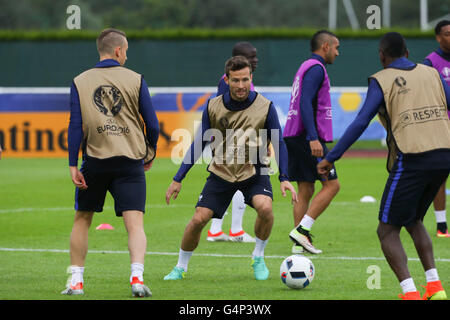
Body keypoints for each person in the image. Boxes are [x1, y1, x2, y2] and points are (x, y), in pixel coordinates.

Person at [317, 32, 450, 300]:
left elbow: (361, 120)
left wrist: (333, 156)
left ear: (382, 55)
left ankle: (410, 292)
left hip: (413, 158)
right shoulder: (431, 73)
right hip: (444, 155)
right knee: (413, 220)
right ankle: (435, 288)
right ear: (408, 52)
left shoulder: (382, 78)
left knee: (387, 229)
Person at [164, 55, 297, 281]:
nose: (241, 85)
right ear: (226, 80)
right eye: (235, 80)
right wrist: (178, 178)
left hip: (255, 171)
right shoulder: (213, 106)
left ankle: (258, 256)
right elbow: (200, 142)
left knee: (265, 209)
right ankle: (180, 267)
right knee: (198, 220)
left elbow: (279, 142)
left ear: (251, 78)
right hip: (221, 171)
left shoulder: (266, 107)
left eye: (245, 80)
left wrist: (284, 177)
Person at [62, 28, 159, 298]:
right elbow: (152, 123)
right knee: (135, 224)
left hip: (95, 162)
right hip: (130, 162)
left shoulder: (80, 80)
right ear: (118, 50)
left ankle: (76, 282)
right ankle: (137, 278)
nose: (126, 56)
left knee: (82, 219)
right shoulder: (136, 79)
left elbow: (75, 126)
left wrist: (73, 164)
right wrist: (149, 152)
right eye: (125, 51)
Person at [283, 30, 341, 254]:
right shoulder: (317, 68)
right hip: (307, 136)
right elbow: (306, 102)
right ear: (325, 46)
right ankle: (302, 231)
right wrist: (313, 137)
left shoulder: (304, 66)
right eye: (336, 47)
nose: (338, 52)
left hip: (294, 134)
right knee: (332, 184)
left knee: (305, 189)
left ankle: (298, 247)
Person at [207, 41, 259, 243]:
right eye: (251, 57)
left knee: (233, 182)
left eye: (255, 57)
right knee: (239, 181)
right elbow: (222, 112)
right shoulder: (227, 82)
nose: (256, 60)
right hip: (231, 142)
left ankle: (216, 229)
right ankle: (234, 229)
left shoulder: (241, 82)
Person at [423, 20, 450, 238]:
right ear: (438, 37)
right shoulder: (430, 63)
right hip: (442, 129)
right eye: (448, 34)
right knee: (440, 176)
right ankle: (442, 225)